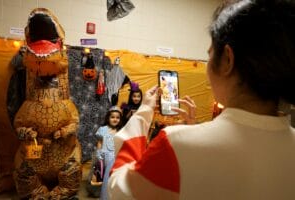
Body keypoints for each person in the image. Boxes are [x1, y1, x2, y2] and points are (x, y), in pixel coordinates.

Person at [107, 0, 295, 199]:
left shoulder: (174, 145)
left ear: (227, 60)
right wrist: (195, 129)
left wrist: (142, 114)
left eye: (210, 54)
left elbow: (119, 190)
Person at [86, 106, 122, 199]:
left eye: (117, 117)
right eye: (112, 117)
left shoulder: (120, 131)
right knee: (100, 176)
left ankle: (107, 196)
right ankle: (101, 193)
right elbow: (100, 142)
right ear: (108, 118)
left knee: (109, 178)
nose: (115, 119)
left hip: (114, 158)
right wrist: (98, 153)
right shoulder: (103, 129)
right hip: (103, 156)